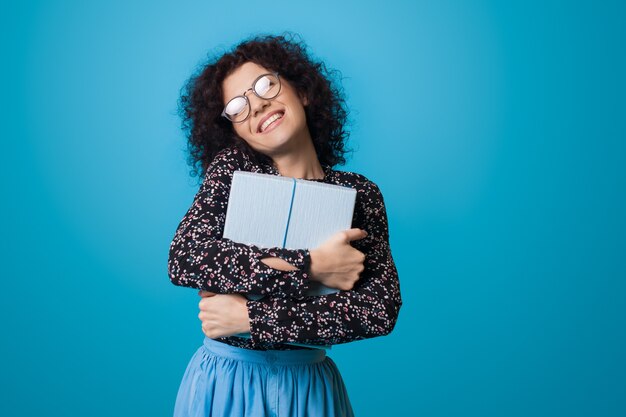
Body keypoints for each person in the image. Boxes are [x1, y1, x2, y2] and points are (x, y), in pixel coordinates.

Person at [167, 32, 402, 417]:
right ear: (235, 130)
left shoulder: (361, 194)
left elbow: (377, 310)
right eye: (237, 106)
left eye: (266, 85)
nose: (256, 105)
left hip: (309, 388)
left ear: (302, 92)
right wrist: (311, 265)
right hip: (226, 382)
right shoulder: (231, 172)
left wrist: (250, 318)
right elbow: (187, 259)